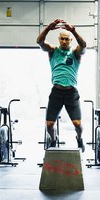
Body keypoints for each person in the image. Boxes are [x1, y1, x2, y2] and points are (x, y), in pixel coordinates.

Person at [36, 19, 87, 151]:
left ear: (70, 40)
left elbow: (84, 45)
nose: (64, 41)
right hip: (56, 92)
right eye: (62, 39)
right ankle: (53, 140)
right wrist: (48, 28)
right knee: (49, 125)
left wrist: (73, 31)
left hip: (71, 93)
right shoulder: (53, 51)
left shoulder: (75, 53)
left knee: (77, 125)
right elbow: (39, 42)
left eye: (67, 39)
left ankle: (79, 139)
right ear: (59, 39)